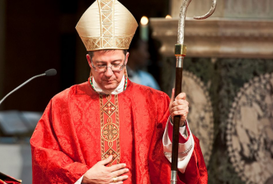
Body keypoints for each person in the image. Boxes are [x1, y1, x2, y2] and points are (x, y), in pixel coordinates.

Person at [30, 0, 207, 183]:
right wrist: (83, 176)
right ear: (89, 61)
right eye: (101, 65)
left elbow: (173, 163)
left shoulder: (155, 101)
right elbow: (44, 155)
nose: (108, 73)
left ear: (126, 58)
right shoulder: (62, 103)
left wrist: (178, 125)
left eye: (116, 64)